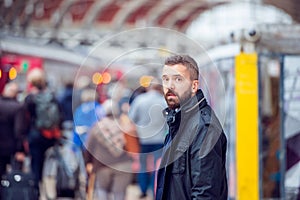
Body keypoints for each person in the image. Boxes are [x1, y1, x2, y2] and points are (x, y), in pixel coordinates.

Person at [155, 54, 228, 200]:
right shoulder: (178, 121)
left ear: (194, 86)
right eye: (165, 79)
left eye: (178, 79)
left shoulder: (204, 127)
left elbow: (205, 193)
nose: (169, 86)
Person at [84, 99, 133, 200]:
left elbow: (88, 147)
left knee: (102, 190)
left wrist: (87, 162)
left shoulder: (96, 127)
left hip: (102, 165)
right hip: (124, 164)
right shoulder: (124, 125)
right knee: (119, 192)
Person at [129, 79, 168, 199]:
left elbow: (132, 118)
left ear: (148, 87)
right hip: (159, 139)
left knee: (143, 165)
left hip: (143, 139)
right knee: (157, 166)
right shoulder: (163, 101)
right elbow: (168, 120)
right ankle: (154, 190)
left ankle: (143, 189)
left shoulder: (140, 100)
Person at [24, 68, 62, 193]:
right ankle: (51, 187)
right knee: (50, 162)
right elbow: (60, 115)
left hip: (35, 134)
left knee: (35, 164)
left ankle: (36, 190)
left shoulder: (30, 98)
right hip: (50, 135)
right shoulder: (51, 96)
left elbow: (26, 118)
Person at [0, 82, 27, 199]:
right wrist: (20, 149)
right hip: (9, 147)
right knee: (12, 176)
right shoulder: (18, 107)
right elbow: (19, 130)